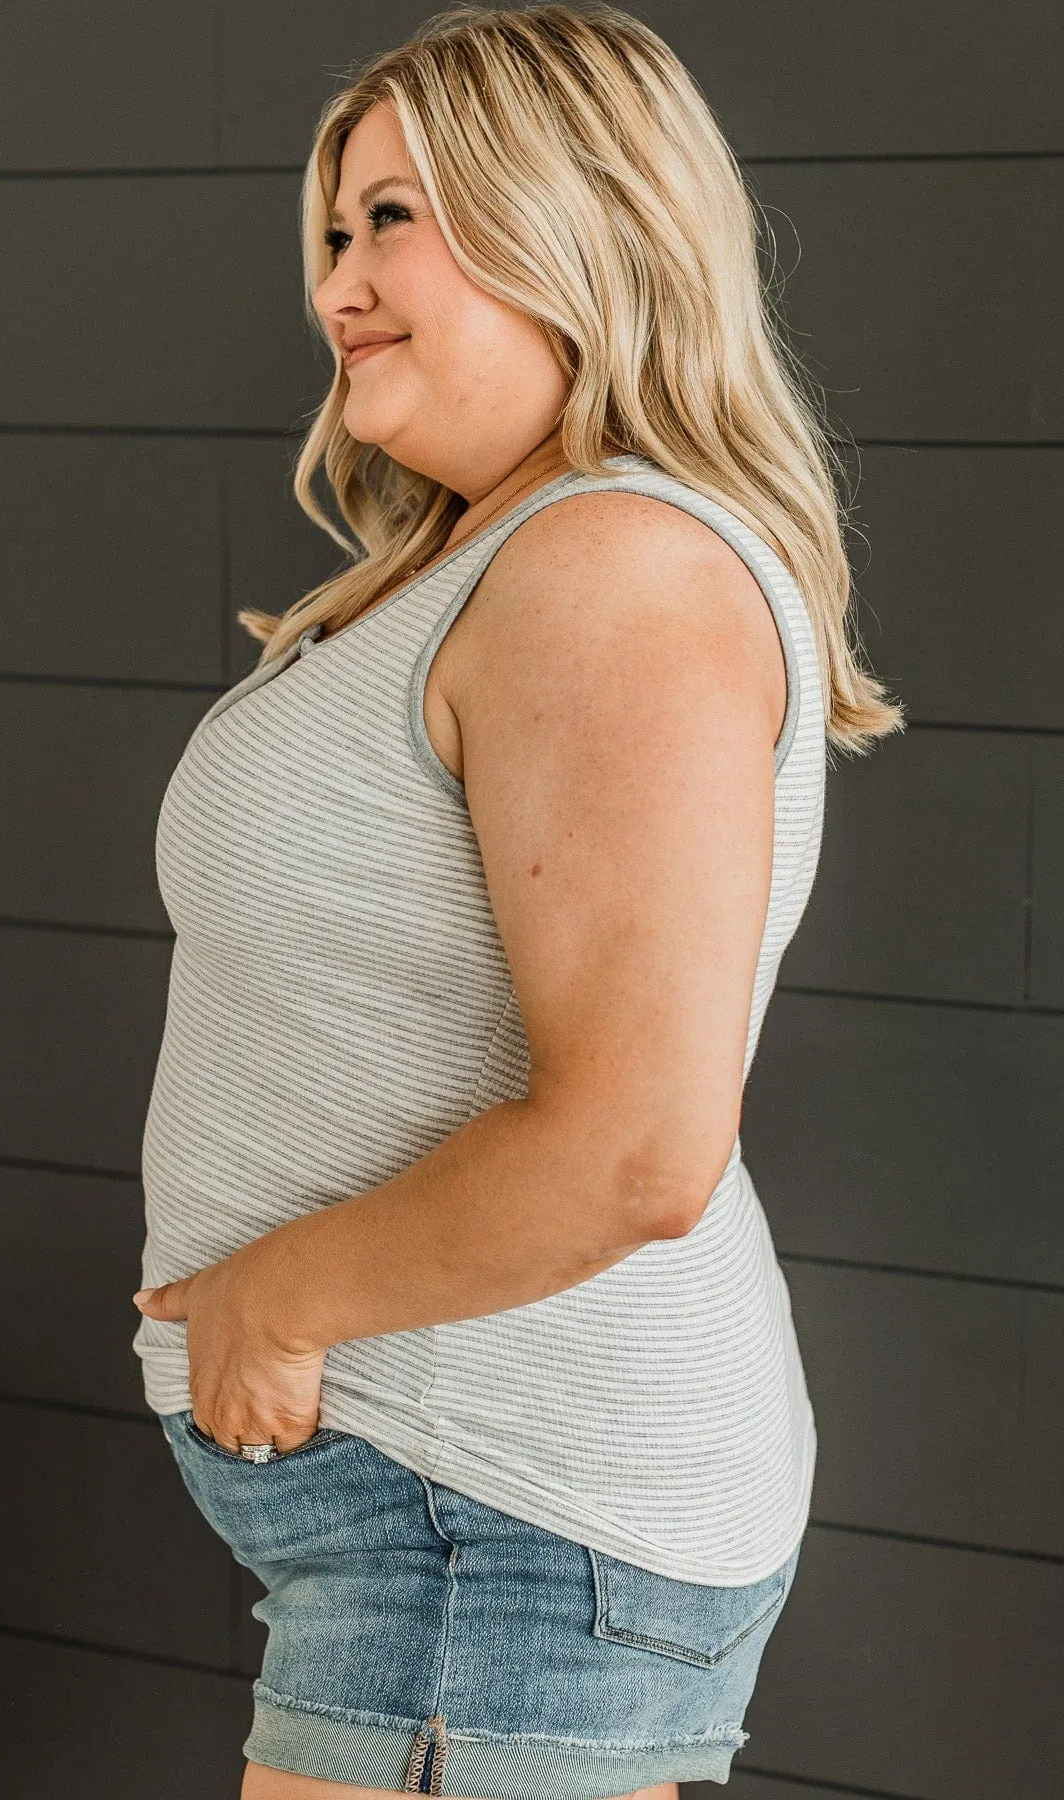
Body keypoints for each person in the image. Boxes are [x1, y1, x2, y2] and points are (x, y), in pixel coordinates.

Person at [132, 5, 903, 1795]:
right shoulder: (494, 557)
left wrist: (286, 1299)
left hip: (499, 1542)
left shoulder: (618, 568)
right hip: (464, 1536)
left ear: (585, 222)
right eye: (335, 231)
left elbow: (640, 1141)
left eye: (398, 216)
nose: (342, 284)